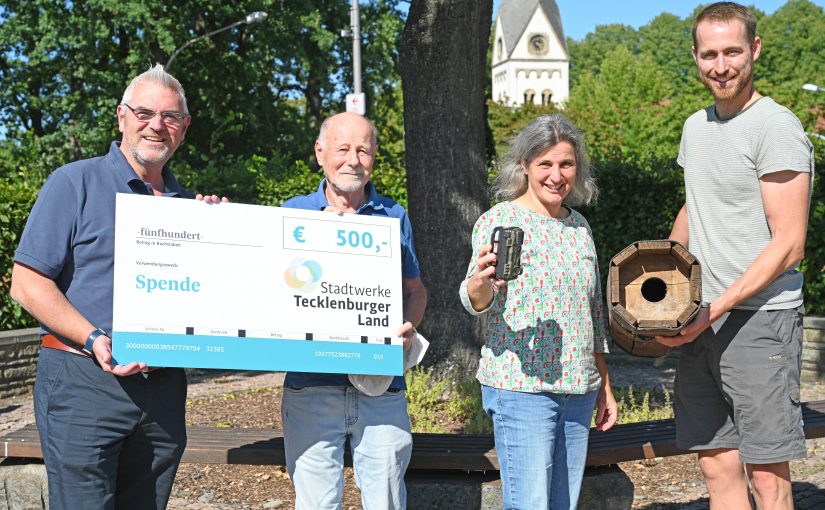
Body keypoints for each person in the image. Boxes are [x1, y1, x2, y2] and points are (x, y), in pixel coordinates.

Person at [10, 64, 225, 509]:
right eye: (144, 112)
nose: (156, 125)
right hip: (83, 381)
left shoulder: (190, 208)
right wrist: (94, 339)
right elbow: (27, 284)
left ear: (184, 128)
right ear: (122, 117)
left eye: (170, 117)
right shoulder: (74, 183)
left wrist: (221, 232)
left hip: (163, 389)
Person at [656, 3, 814, 509]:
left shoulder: (776, 127)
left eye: (732, 52)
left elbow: (790, 242)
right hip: (700, 318)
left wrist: (715, 308)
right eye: (709, 54)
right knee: (716, 465)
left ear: (755, 50)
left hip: (759, 320)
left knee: (768, 477)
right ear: (695, 57)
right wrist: (661, 280)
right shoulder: (694, 127)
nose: (720, 66)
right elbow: (694, 205)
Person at [459, 113, 618, 510]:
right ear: (525, 166)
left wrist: (605, 386)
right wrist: (482, 282)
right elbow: (475, 301)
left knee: (563, 504)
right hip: (521, 388)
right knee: (529, 504)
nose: (555, 174)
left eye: (565, 164)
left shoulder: (579, 226)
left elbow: (592, 312)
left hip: (579, 389)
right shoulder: (500, 220)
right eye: (544, 163)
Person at [279, 111, 428, 509]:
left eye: (363, 150)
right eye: (343, 148)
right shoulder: (293, 213)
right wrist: (320, 238)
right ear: (320, 152)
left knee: (387, 501)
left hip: (380, 386)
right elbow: (274, 294)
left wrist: (409, 325)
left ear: (374, 156)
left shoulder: (393, 216)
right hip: (311, 384)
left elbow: (415, 290)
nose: (353, 159)